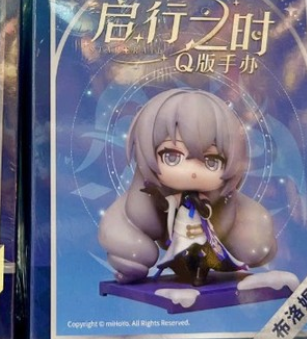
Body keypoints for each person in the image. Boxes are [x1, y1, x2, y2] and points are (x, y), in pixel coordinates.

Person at [98, 88, 276, 286]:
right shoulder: (145, 198)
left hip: (200, 237)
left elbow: (221, 223)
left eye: (212, 161)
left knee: (249, 245)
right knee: (140, 250)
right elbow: (146, 215)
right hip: (179, 234)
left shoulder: (222, 201)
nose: (192, 172)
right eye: (171, 157)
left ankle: (197, 270)